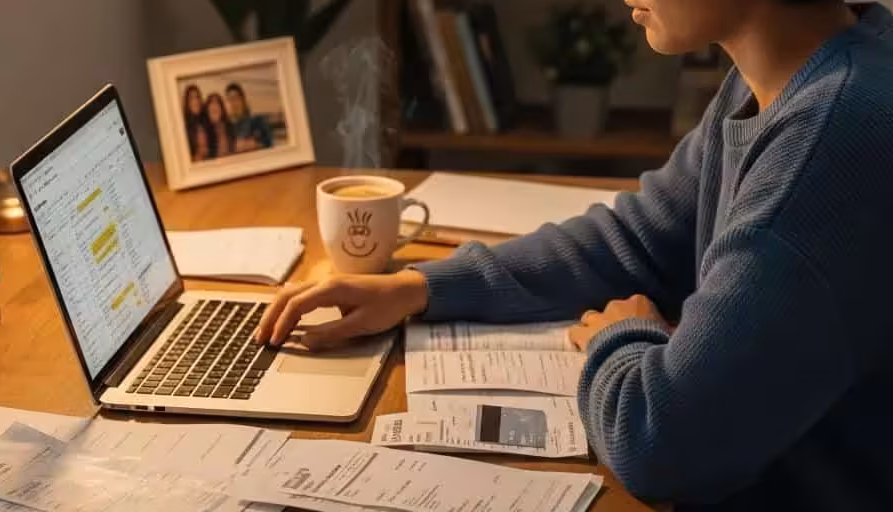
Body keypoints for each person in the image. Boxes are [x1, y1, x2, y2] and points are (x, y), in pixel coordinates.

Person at [256, 1, 893, 510]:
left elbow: (661, 443)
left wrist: (619, 338)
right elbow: (637, 238)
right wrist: (420, 287)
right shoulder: (795, 79)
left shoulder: (835, 136)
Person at [225, 82, 274, 152]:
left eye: (235, 98)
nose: (233, 103)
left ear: (243, 100)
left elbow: (269, 143)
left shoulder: (257, 121)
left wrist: (254, 144)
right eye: (229, 99)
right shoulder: (227, 127)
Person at [182, 85, 210, 161]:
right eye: (191, 98)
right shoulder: (184, 125)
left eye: (197, 97)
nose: (195, 101)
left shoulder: (207, 120)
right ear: (187, 103)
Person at [204, 93, 235, 159]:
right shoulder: (203, 131)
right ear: (207, 110)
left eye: (217, 103)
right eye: (211, 103)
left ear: (222, 109)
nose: (214, 105)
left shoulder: (229, 127)